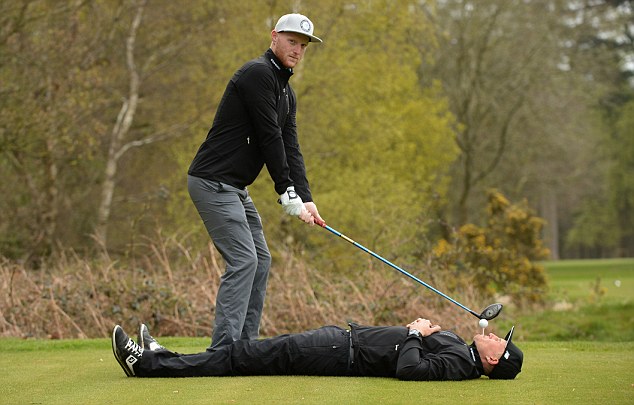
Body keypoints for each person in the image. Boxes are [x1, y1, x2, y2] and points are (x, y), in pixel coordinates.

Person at [187, 13, 324, 350]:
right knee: (244, 260)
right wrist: (285, 190)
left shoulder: (286, 93)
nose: (297, 50)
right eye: (292, 42)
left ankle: (246, 348)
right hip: (211, 181)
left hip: (235, 188)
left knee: (261, 260)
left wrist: (304, 196)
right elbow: (268, 136)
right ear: (274, 37)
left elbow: (290, 147)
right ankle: (225, 349)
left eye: (303, 46)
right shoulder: (257, 74)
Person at [112, 317, 523, 381]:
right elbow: (429, 341)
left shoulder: (458, 366)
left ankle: (149, 365)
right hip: (340, 339)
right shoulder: (459, 349)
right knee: (251, 351)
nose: (495, 336)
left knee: (246, 356)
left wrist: (416, 333)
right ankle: (163, 357)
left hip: (339, 352)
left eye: (499, 341)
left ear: (492, 359)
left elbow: (410, 370)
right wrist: (431, 328)